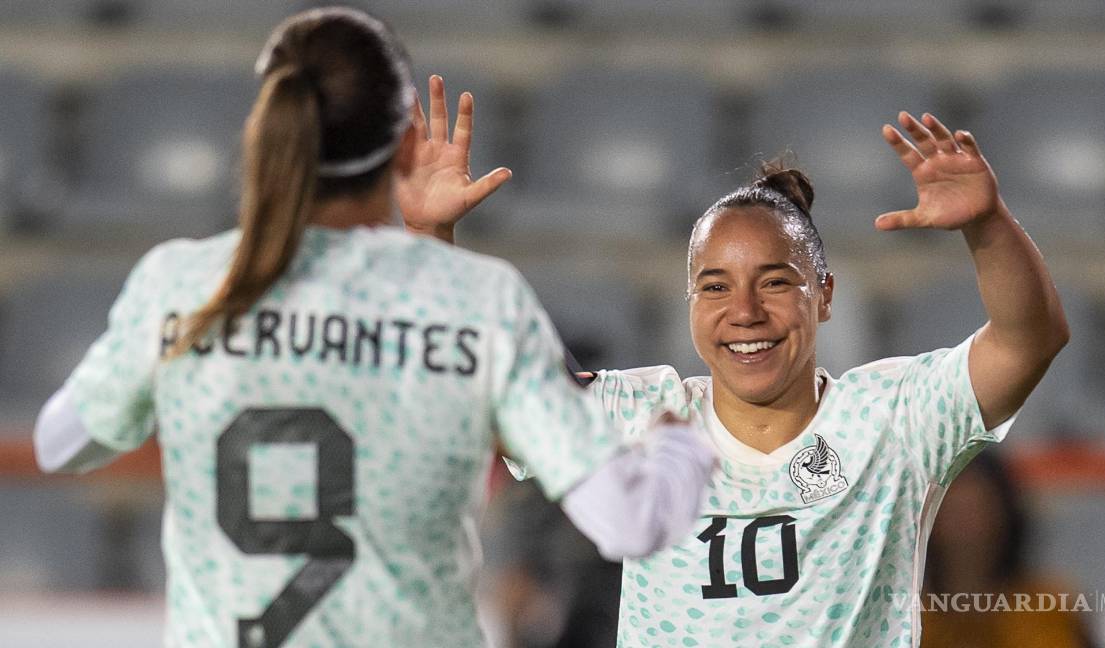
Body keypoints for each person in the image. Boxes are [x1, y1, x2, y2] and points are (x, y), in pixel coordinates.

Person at [31, 7, 715, 647]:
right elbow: (630, 522)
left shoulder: (181, 286)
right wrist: (678, 444)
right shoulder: (479, 303)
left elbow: (61, 444)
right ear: (403, 140)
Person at [407, 104, 1070, 647]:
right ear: (690, 303)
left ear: (825, 295)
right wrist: (429, 232)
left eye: (775, 282)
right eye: (716, 287)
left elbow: (1029, 340)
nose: (745, 312)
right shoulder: (641, 415)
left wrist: (988, 226)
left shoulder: (896, 416)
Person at [921, 451, 1100, 648]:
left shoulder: (1051, 609)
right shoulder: (912, 617)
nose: (966, 527)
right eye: (953, 512)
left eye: (977, 510)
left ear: (1005, 516)